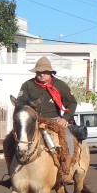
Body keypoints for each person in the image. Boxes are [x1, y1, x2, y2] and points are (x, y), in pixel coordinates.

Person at [17, 56, 84, 184]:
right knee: (9, 141)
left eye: (44, 72)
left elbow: (72, 103)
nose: (41, 75)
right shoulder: (27, 85)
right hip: (33, 120)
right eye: (38, 72)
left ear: (50, 73)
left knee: (69, 138)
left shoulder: (60, 85)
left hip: (54, 119)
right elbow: (21, 103)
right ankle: (11, 173)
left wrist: (65, 119)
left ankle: (66, 169)